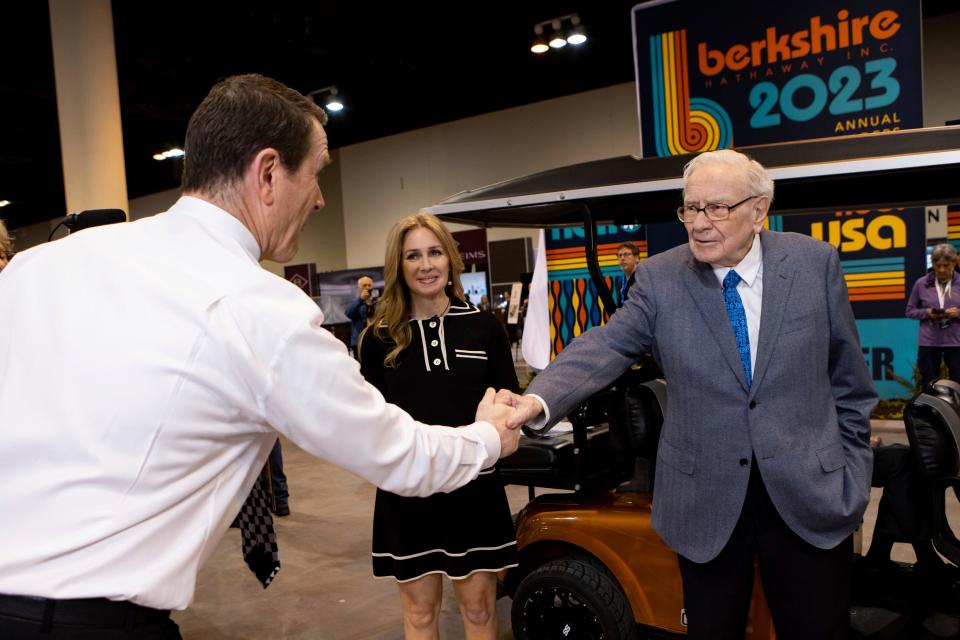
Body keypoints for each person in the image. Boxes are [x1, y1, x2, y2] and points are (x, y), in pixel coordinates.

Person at [0, 74, 520, 640]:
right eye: (317, 172)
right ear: (269, 173)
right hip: (89, 622)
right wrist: (489, 435)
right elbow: (400, 454)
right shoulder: (261, 312)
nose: (321, 198)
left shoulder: (39, 266)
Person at [497, 149, 877, 639]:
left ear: (758, 210)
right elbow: (606, 344)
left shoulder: (813, 264)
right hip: (706, 502)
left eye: (716, 208)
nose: (699, 223)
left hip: (811, 494)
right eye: (690, 208)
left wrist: (852, 473)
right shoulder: (659, 278)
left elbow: (850, 382)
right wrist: (535, 401)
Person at [359, 213, 519, 639]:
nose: (426, 264)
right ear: (399, 266)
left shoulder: (485, 327)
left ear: (450, 259)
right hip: (408, 492)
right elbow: (370, 423)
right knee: (419, 613)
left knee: (481, 610)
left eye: (434, 252)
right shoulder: (378, 339)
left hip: (475, 488)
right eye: (413, 255)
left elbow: (508, 408)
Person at [906, 243, 960, 387]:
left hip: (956, 342)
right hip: (929, 342)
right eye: (937, 265)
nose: (941, 270)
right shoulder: (921, 284)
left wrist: (957, 313)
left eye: (946, 265)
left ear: (954, 262)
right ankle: (931, 409)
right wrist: (927, 313)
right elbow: (910, 311)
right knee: (929, 384)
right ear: (933, 263)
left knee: (958, 383)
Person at [345, 275, 376, 357]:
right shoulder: (354, 301)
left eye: (369, 285)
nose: (367, 287)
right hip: (359, 341)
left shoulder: (378, 301)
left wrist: (372, 304)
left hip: (375, 340)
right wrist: (360, 299)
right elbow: (348, 313)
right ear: (359, 287)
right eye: (364, 285)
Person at [615, 241, 640, 307]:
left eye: (626, 254)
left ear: (636, 258)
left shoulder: (642, 279)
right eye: (619, 255)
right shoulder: (620, 283)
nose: (622, 258)